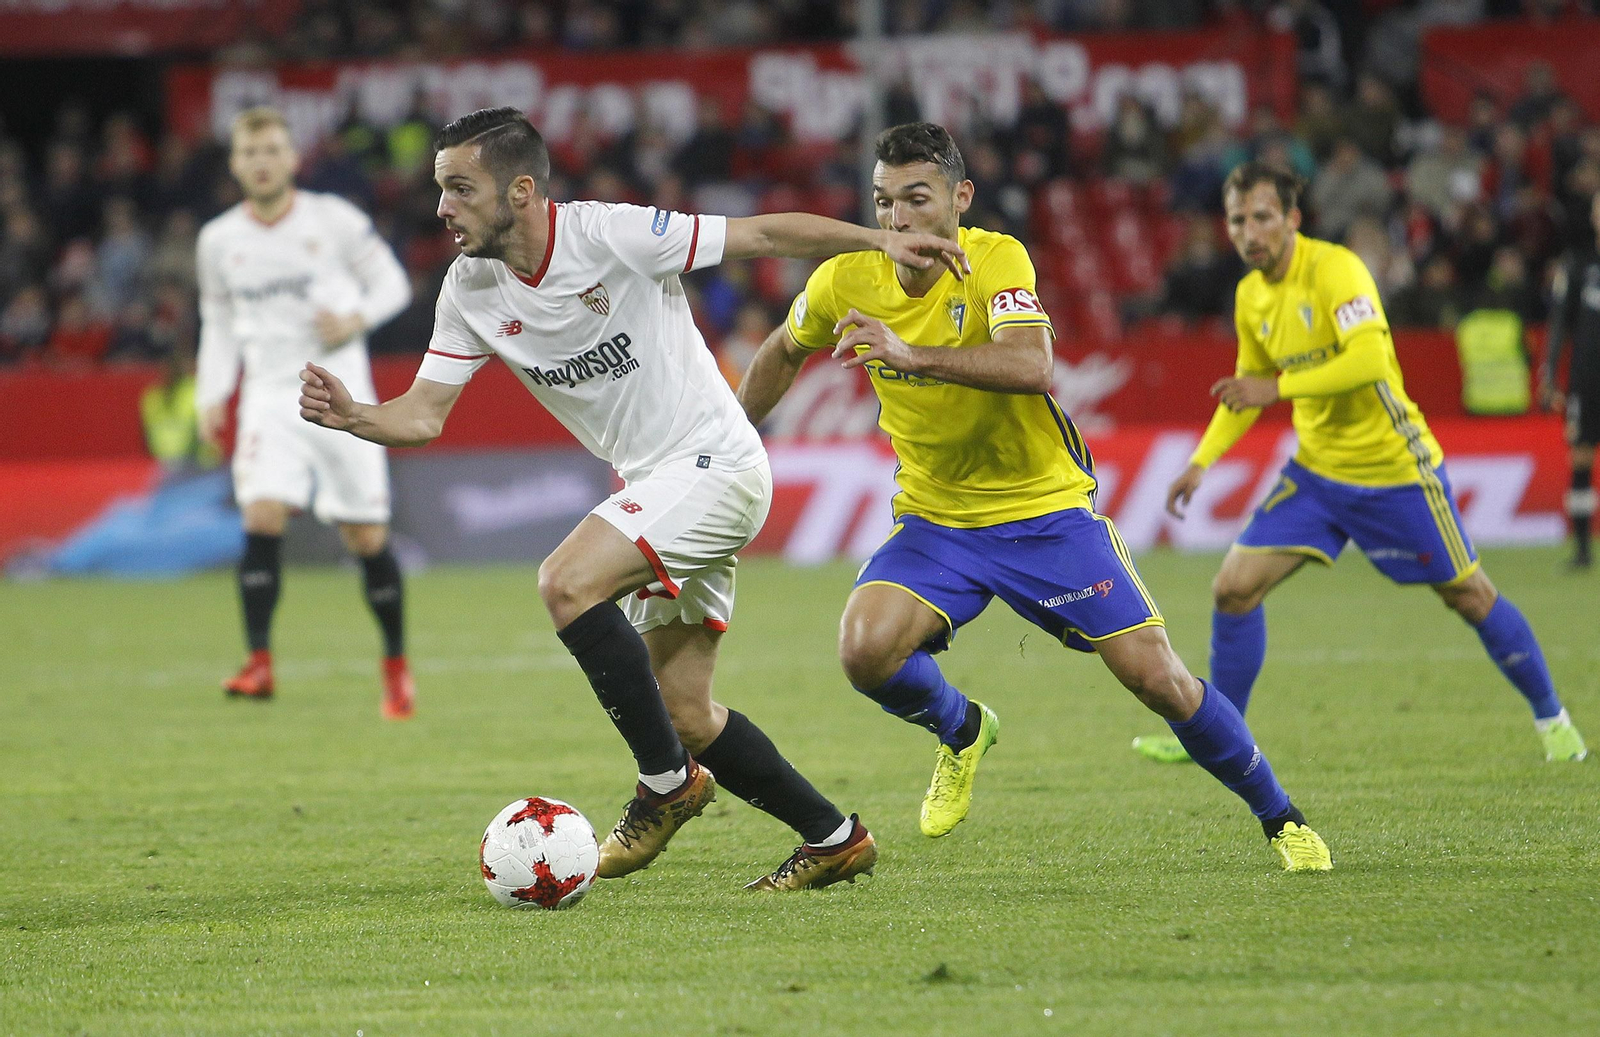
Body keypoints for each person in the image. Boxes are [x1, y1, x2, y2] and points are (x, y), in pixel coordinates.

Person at [298, 107, 967, 890]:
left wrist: (878, 237)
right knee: (685, 711)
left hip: (717, 467)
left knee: (566, 580)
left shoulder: (611, 234)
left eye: (458, 188)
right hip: (658, 487)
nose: (442, 207)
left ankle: (666, 784)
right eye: (440, 189)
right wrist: (356, 417)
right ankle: (833, 835)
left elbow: (760, 236)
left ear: (520, 191)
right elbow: (422, 413)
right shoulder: (471, 288)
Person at [736, 123, 1333, 873]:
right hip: (937, 519)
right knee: (864, 650)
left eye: (916, 199)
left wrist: (908, 351)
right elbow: (783, 350)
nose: (897, 219)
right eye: (884, 202)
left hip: (1043, 513)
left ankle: (1283, 819)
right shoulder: (844, 278)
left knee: (1159, 678)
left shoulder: (996, 259)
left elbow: (1033, 362)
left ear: (960, 198)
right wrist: (728, 435)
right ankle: (962, 729)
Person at [1137, 162, 1588, 766]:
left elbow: (1371, 360)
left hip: (1394, 469)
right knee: (1233, 589)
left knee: (1470, 595)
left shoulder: (1336, 270)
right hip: (1318, 475)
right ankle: (1221, 736)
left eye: (1263, 217)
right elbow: (1247, 387)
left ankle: (1553, 719)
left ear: (1293, 219)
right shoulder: (1250, 296)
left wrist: (1280, 388)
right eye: (1238, 220)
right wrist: (1201, 462)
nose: (1250, 232)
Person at [196, 107, 416, 718]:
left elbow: (394, 284)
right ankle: (259, 661)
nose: (262, 162)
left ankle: (396, 666)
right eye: (250, 152)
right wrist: (212, 392)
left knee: (365, 535)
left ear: (292, 158)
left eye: (272, 150)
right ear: (236, 163)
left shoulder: (335, 221)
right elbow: (217, 321)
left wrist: (354, 319)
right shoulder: (218, 241)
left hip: (339, 394)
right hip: (268, 395)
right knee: (261, 514)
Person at [1541, 192, 1600, 571]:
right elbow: (1560, 322)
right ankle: (1582, 551)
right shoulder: (1580, 264)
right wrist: (1548, 372)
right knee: (1580, 458)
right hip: (1586, 379)